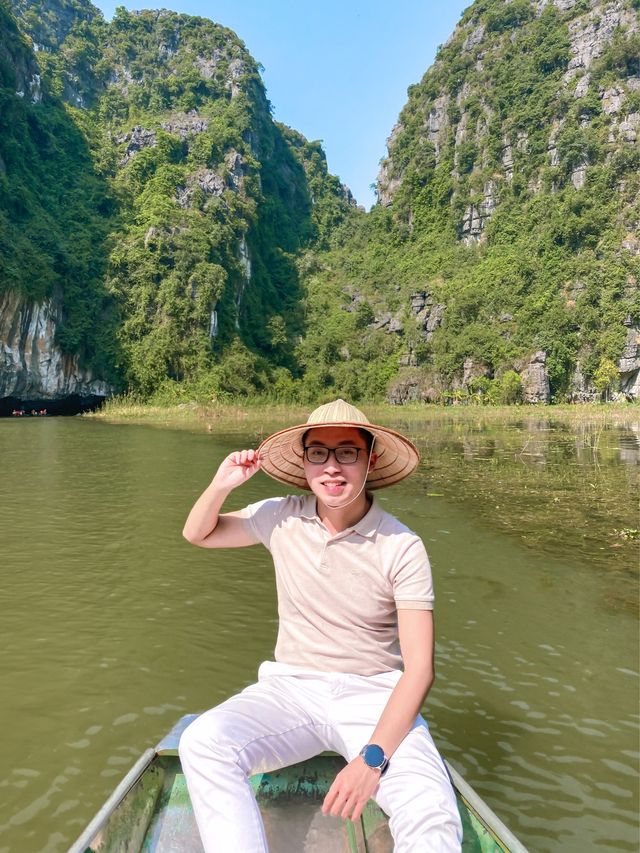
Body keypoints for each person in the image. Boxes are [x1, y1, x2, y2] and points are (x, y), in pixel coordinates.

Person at [179, 398, 463, 852]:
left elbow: (419, 670)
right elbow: (199, 533)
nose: (332, 467)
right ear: (305, 461)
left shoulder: (402, 546)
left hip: (373, 695)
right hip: (291, 689)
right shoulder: (280, 516)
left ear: (369, 460)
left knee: (430, 811)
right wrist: (221, 484)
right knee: (202, 742)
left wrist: (372, 760)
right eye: (319, 453)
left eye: (347, 452)